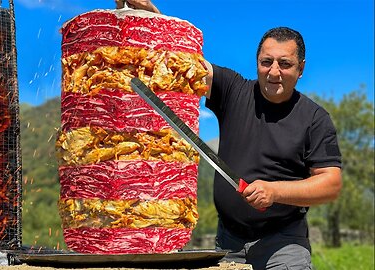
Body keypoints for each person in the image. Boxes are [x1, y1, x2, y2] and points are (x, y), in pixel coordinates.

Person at [117, 1, 343, 269]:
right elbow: (184, 62)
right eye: (266, 62)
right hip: (228, 240)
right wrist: (155, 21)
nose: (273, 72)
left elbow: (330, 184)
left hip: (283, 242)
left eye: (285, 64)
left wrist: (274, 191)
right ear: (257, 61)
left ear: (301, 68)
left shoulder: (315, 118)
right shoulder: (234, 90)